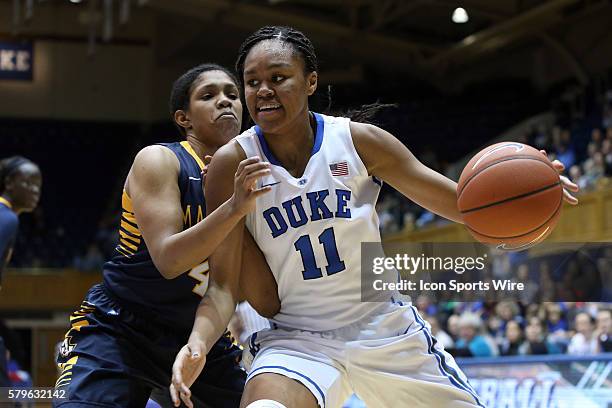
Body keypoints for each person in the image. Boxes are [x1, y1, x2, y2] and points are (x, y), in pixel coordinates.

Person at [171, 26, 579, 408]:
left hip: (382, 325)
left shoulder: (357, 141)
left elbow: (462, 204)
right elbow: (223, 285)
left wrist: (522, 193)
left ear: (311, 81)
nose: (263, 91)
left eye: (278, 78)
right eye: (253, 81)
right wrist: (197, 344)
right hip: (295, 339)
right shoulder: (231, 165)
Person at [55, 63, 278, 407]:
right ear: (184, 118)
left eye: (232, 95)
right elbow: (170, 261)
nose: (225, 101)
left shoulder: (250, 174)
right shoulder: (160, 160)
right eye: (209, 95)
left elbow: (225, 288)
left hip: (195, 331)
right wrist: (232, 208)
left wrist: (200, 342)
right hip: (122, 326)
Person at [0, 156, 42, 388]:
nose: (35, 190)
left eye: (39, 185)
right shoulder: (6, 218)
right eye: (29, 182)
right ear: (9, 182)